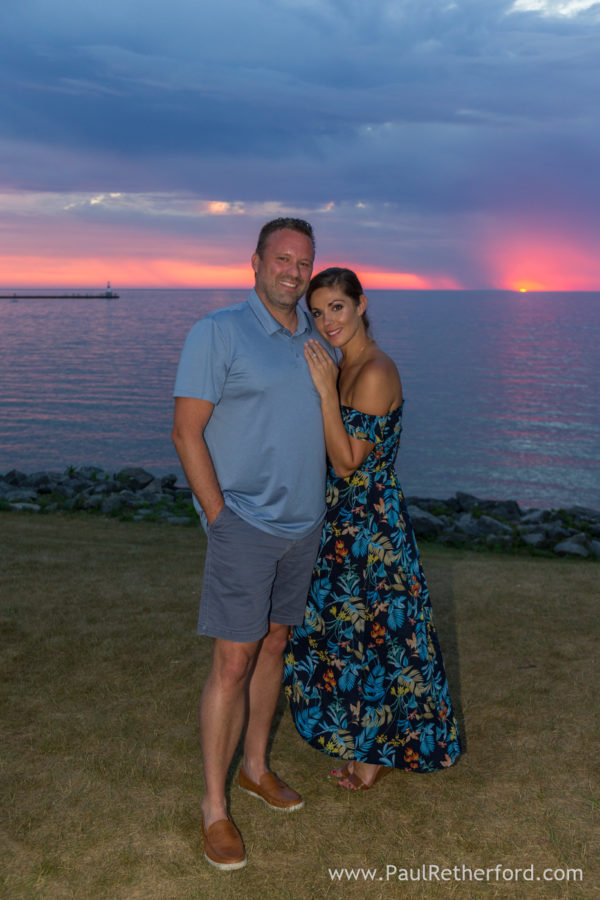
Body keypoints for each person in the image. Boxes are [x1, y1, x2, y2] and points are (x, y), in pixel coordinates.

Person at [172, 218, 328, 870]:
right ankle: (214, 807)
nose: (293, 271)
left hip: (302, 525)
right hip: (244, 526)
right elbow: (186, 431)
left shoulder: (317, 338)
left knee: (273, 646)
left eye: (304, 262)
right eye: (282, 259)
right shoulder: (218, 332)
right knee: (232, 663)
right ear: (257, 263)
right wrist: (219, 516)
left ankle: (255, 768)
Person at [283, 267, 462, 790]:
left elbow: (345, 462)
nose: (326, 321)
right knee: (348, 639)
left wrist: (320, 390)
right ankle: (366, 746)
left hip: (371, 526)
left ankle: (376, 754)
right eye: (316, 312)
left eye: (336, 307)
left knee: (384, 643)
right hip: (341, 520)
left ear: (361, 304)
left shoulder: (374, 371)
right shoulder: (344, 366)